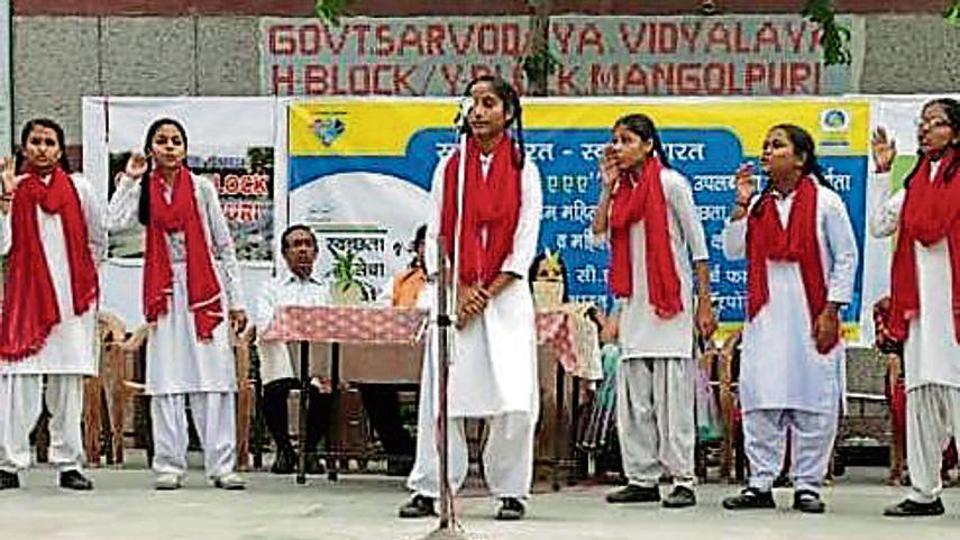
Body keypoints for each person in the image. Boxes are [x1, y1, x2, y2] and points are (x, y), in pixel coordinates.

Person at [399, 75, 542, 521]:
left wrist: (484, 293)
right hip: (454, 292)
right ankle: (432, 485)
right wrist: (457, 287)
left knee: (514, 397)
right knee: (443, 395)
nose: (478, 112)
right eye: (473, 103)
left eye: (488, 103)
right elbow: (436, 233)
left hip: (506, 297)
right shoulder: (451, 168)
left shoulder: (525, 169)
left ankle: (511, 489)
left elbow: (525, 242)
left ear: (508, 113)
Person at [720, 124, 858, 514]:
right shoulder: (760, 206)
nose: (766, 152)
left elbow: (846, 257)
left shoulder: (827, 202)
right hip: (766, 318)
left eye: (776, 146)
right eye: (764, 146)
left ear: (800, 159)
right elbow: (732, 250)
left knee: (813, 400)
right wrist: (742, 204)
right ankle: (760, 483)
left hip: (812, 316)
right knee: (761, 398)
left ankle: (807, 485)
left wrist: (832, 309)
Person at [106, 118, 247, 490]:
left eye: (176, 141)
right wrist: (131, 178)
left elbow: (224, 244)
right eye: (162, 141)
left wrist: (236, 301)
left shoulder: (201, 188)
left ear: (185, 149)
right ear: (151, 148)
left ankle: (222, 464)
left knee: (213, 376)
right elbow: (112, 222)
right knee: (167, 376)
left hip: (205, 290)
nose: (169, 147)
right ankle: (169, 463)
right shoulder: (144, 190)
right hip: (164, 289)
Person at [591, 113, 717, 508]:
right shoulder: (620, 191)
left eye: (626, 140)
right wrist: (607, 188)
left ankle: (682, 478)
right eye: (615, 141)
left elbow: (697, 247)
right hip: (634, 307)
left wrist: (705, 301)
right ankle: (641, 477)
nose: (618, 148)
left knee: (672, 399)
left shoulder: (670, 184)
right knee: (635, 400)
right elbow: (598, 233)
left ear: (648, 145)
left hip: (671, 304)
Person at [0, 118, 105, 491]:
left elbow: (99, 237)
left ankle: (68, 464)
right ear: (24, 147)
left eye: (49, 142)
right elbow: (3, 246)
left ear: (60, 150)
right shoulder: (15, 188)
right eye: (35, 141)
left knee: (67, 385)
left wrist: (84, 282)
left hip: (71, 303)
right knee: (18, 383)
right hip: (26, 303)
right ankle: (10, 463)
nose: (42, 148)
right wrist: (6, 201)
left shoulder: (79, 188)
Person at [872, 98, 960, 517]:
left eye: (935, 123)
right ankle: (925, 492)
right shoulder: (915, 184)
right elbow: (878, 226)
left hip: (956, 310)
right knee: (922, 396)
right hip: (922, 311)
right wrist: (882, 172)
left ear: (956, 133)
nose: (925, 130)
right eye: (921, 123)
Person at [253, 224, 333, 475]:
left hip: (316, 362)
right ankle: (285, 451)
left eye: (307, 244)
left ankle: (308, 452)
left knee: (325, 388)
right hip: (283, 361)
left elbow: (331, 326)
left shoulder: (326, 289)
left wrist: (294, 323)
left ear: (316, 252)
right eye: (296, 245)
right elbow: (266, 326)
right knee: (274, 389)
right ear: (285, 254)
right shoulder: (270, 289)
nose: (302, 250)